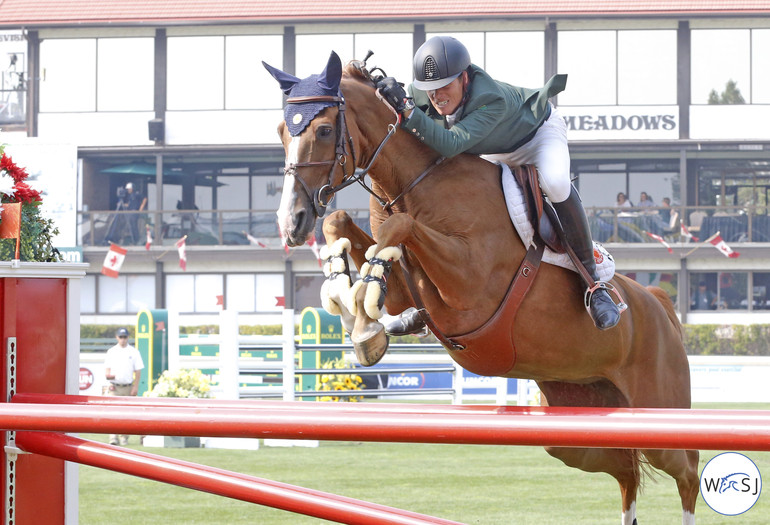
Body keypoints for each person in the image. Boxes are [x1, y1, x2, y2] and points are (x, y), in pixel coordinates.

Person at [376, 36, 621, 332]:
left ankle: (594, 286)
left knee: (555, 183)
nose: (437, 96)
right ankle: (428, 307)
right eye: (430, 90)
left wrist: (410, 112)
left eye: (445, 87)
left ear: (465, 78)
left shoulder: (490, 97)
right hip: (491, 148)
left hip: (536, 137)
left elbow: (451, 143)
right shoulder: (420, 92)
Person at [104, 327, 144, 445]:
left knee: (128, 413)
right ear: (117, 337)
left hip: (128, 386)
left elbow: (138, 371)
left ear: (128, 338)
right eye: (121, 337)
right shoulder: (111, 351)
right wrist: (109, 376)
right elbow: (107, 371)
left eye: (125, 337)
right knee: (113, 413)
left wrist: (135, 387)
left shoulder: (133, 352)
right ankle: (113, 437)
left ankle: (124, 437)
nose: (123, 339)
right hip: (115, 386)